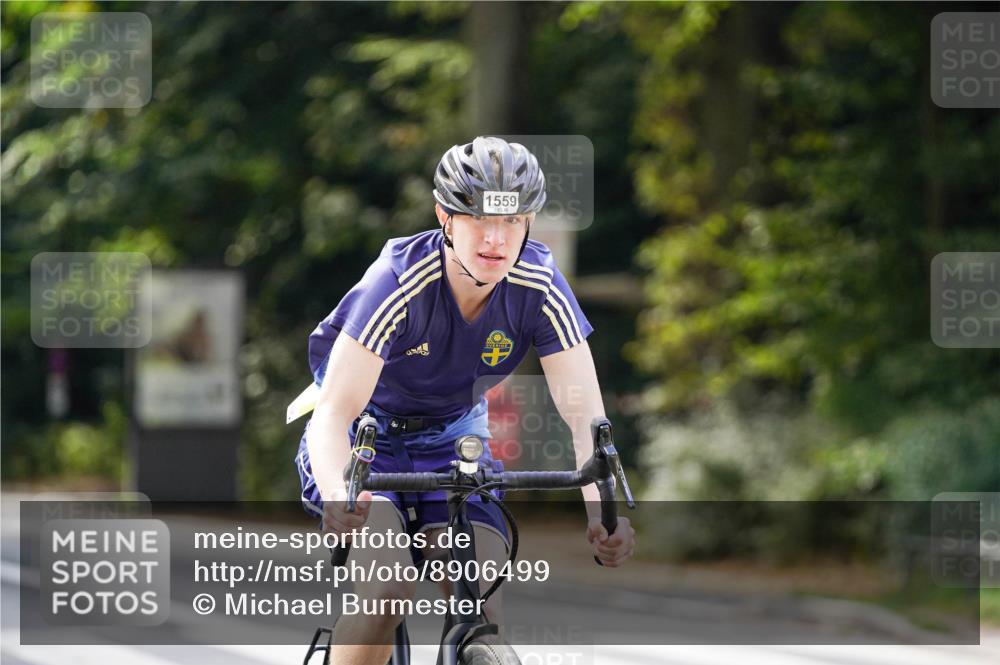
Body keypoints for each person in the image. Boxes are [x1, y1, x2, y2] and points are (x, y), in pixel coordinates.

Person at [293, 136, 635, 664]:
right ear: (446, 219)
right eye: (480, 220)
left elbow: (587, 419)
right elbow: (332, 414)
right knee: (387, 589)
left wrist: (604, 514)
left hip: (453, 440)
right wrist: (340, 491)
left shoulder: (539, 284)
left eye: (515, 222)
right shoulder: (399, 280)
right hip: (362, 440)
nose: (497, 240)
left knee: (483, 602)